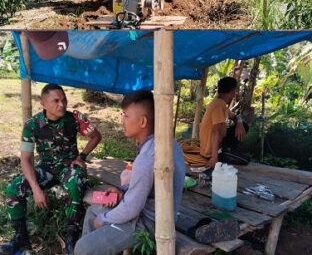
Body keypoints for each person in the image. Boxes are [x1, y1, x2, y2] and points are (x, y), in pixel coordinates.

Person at [74, 90, 185, 255]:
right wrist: (123, 191)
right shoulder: (166, 142)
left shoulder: (148, 157)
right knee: (92, 212)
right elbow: (146, 189)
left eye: (126, 116)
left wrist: (104, 219)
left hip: (150, 222)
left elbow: (132, 208)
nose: (121, 120)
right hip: (150, 212)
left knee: (82, 248)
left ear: (142, 121)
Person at [1, 84, 102, 255]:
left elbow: (96, 136)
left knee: (75, 181)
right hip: (46, 169)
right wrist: (36, 188)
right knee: (13, 188)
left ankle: (72, 235)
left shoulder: (75, 118)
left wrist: (82, 157)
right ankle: (21, 238)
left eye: (64, 100)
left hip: (69, 167)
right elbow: (25, 158)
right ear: (43, 103)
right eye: (56, 101)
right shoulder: (32, 125)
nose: (61, 104)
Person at [199, 77, 249, 169]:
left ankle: (228, 151)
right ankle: (224, 153)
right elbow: (216, 131)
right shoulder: (219, 104)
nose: (234, 95)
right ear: (232, 91)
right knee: (245, 160)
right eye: (234, 92)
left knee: (244, 126)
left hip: (218, 145)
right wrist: (214, 158)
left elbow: (235, 117)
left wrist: (240, 122)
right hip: (210, 152)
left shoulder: (221, 105)